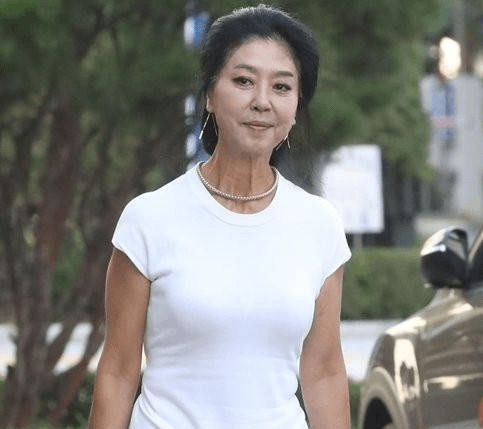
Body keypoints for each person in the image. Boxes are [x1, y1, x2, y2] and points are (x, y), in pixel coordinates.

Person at [88, 5, 351, 429]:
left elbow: (324, 371)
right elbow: (118, 372)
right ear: (210, 94)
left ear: (296, 105)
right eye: (243, 81)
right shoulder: (149, 219)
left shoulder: (319, 225)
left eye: (282, 87)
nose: (261, 101)